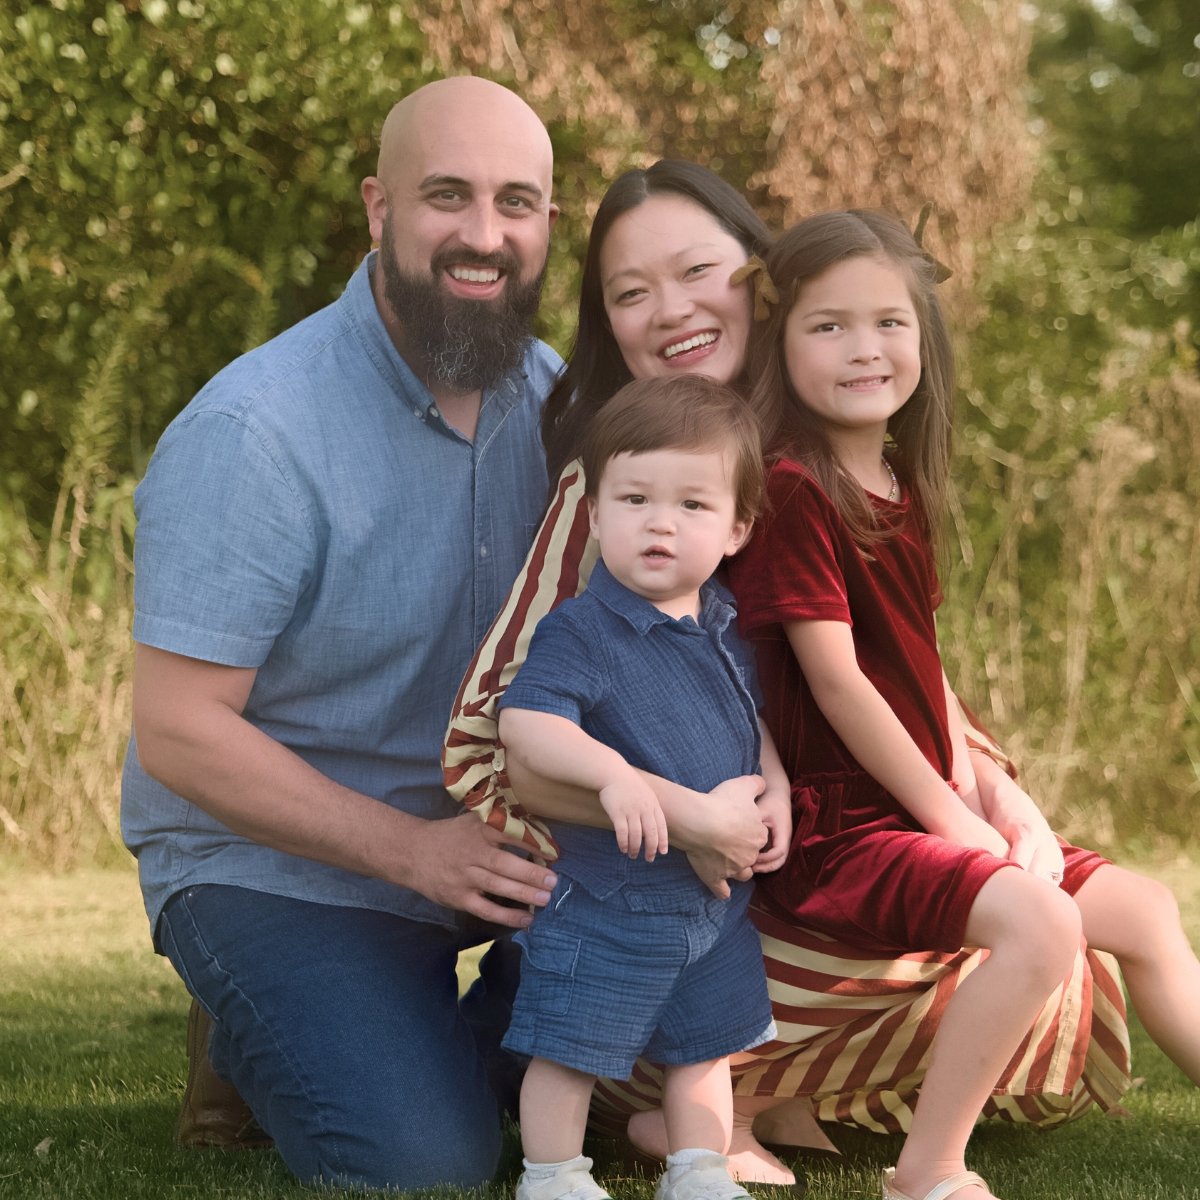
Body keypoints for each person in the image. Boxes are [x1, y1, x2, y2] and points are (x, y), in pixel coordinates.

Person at [443, 162, 1133, 1187]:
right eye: (631, 293)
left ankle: (757, 1094)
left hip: (789, 853)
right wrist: (685, 818)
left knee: (1052, 925)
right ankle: (685, 1092)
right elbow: (486, 747)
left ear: (764, 287)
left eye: (698, 272)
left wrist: (999, 797)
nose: (672, 309)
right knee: (971, 914)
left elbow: (886, 679)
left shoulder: (810, 464)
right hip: (646, 896)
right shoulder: (629, 487)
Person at [120, 76, 564, 1191]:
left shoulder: (562, 404)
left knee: (677, 979)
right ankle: (273, 1016)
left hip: (487, 854)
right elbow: (177, 734)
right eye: (446, 195)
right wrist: (414, 852)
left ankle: (334, 1029)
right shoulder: (253, 431)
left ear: (550, 224)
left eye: (517, 202)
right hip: (272, 868)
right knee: (425, 1164)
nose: (483, 234)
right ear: (378, 208)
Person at [724, 209, 1200, 1200]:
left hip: (925, 807)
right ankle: (928, 1169)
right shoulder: (793, 486)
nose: (867, 348)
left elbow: (923, 668)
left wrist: (994, 795)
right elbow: (839, 681)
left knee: (1149, 911)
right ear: (782, 343)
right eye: (830, 326)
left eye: (891, 322)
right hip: (844, 830)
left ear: (925, 341)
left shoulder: (897, 479)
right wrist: (951, 821)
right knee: (1040, 927)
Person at [498, 377, 790, 1200]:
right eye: (634, 498)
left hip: (709, 908)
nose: (660, 522)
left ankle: (697, 1168)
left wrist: (776, 786)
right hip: (612, 900)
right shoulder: (584, 630)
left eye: (693, 506)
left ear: (737, 530)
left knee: (706, 1049)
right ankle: (553, 1174)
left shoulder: (722, 619)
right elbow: (529, 725)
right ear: (595, 513)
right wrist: (615, 774)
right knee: (571, 1044)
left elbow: (746, 714)